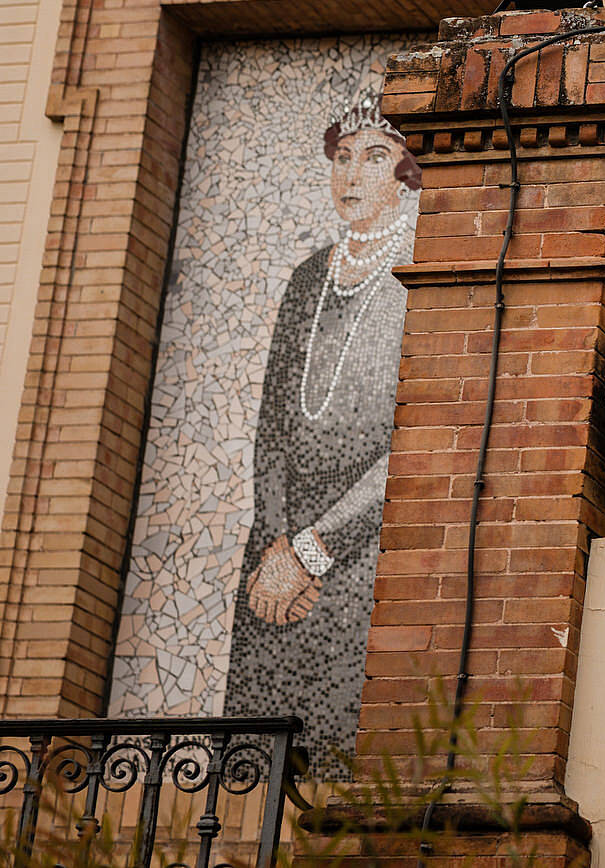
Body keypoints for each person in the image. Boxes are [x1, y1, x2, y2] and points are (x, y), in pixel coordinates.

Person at [223, 77, 419, 762]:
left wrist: (314, 548)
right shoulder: (309, 276)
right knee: (253, 765)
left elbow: (420, 435)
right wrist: (278, 544)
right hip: (274, 557)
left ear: (407, 169)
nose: (351, 173)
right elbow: (273, 428)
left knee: (340, 759)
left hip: (362, 552)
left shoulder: (426, 268)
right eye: (341, 155)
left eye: (373, 154)